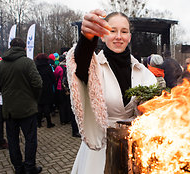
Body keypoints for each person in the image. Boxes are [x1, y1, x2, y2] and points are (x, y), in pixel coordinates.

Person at [66, 9, 157, 173]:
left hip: (132, 146)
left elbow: (153, 106)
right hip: (100, 148)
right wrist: (86, 39)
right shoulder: (93, 67)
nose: (118, 36)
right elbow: (80, 63)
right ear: (102, 35)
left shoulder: (142, 72)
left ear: (129, 37)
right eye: (112, 31)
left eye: (124, 31)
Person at [0, 38, 43, 174]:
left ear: (10, 47)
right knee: (30, 140)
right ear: (23, 49)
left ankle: (18, 168)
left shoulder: (1, 65)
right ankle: (29, 167)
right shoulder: (27, 63)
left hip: (9, 110)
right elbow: (38, 84)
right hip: (27, 109)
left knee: (12, 140)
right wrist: (34, 98)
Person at [34, 53, 56, 128]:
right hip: (47, 88)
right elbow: (53, 78)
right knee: (46, 106)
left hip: (38, 88)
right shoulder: (48, 67)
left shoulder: (35, 67)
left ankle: (38, 123)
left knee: (39, 106)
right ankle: (49, 123)